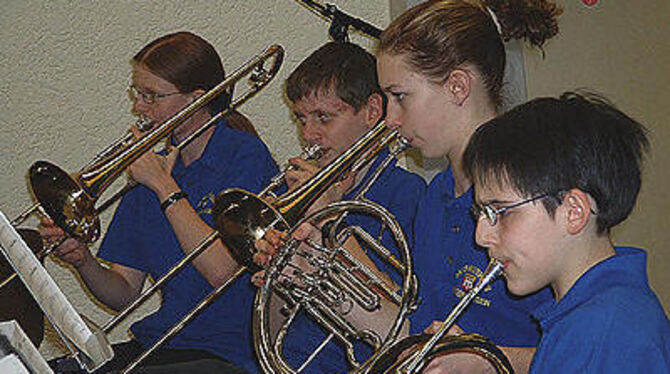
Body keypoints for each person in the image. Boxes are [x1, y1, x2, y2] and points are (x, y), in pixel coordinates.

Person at [41, 31, 278, 373]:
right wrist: (83, 261)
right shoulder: (149, 171)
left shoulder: (244, 155)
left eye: (152, 96)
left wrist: (164, 187)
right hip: (164, 343)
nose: (139, 107)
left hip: (229, 353)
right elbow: (123, 292)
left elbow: (222, 271)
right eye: (138, 93)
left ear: (197, 99)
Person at [376, 0, 561, 372]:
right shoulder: (435, 196)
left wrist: (488, 360)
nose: (390, 119)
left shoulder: (532, 198)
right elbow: (419, 333)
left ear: (458, 86)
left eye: (399, 97)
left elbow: (592, 355)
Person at [463, 91, 670, 372]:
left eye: (500, 211)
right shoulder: (585, 316)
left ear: (573, 211)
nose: (481, 235)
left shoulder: (607, 331)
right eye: (481, 213)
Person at [252, 41, 426, 373]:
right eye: (301, 119)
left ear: (373, 111)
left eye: (324, 118)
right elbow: (272, 332)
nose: (309, 134)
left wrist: (331, 218)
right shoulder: (300, 196)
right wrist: (279, 276)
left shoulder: (408, 195)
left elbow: (402, 315)